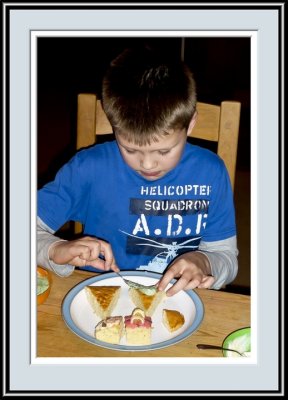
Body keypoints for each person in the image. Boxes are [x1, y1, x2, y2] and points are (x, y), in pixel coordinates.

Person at [37, 46, 238, 296]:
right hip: (100, 297)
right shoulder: (88, 169)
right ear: (113, 124)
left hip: (180, 299)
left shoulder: (211, 172)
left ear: (191, 123)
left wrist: (205, 262)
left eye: (164, 152)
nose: (148, 165)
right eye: (130, 149)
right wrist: (54, 250)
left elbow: (227, 258)